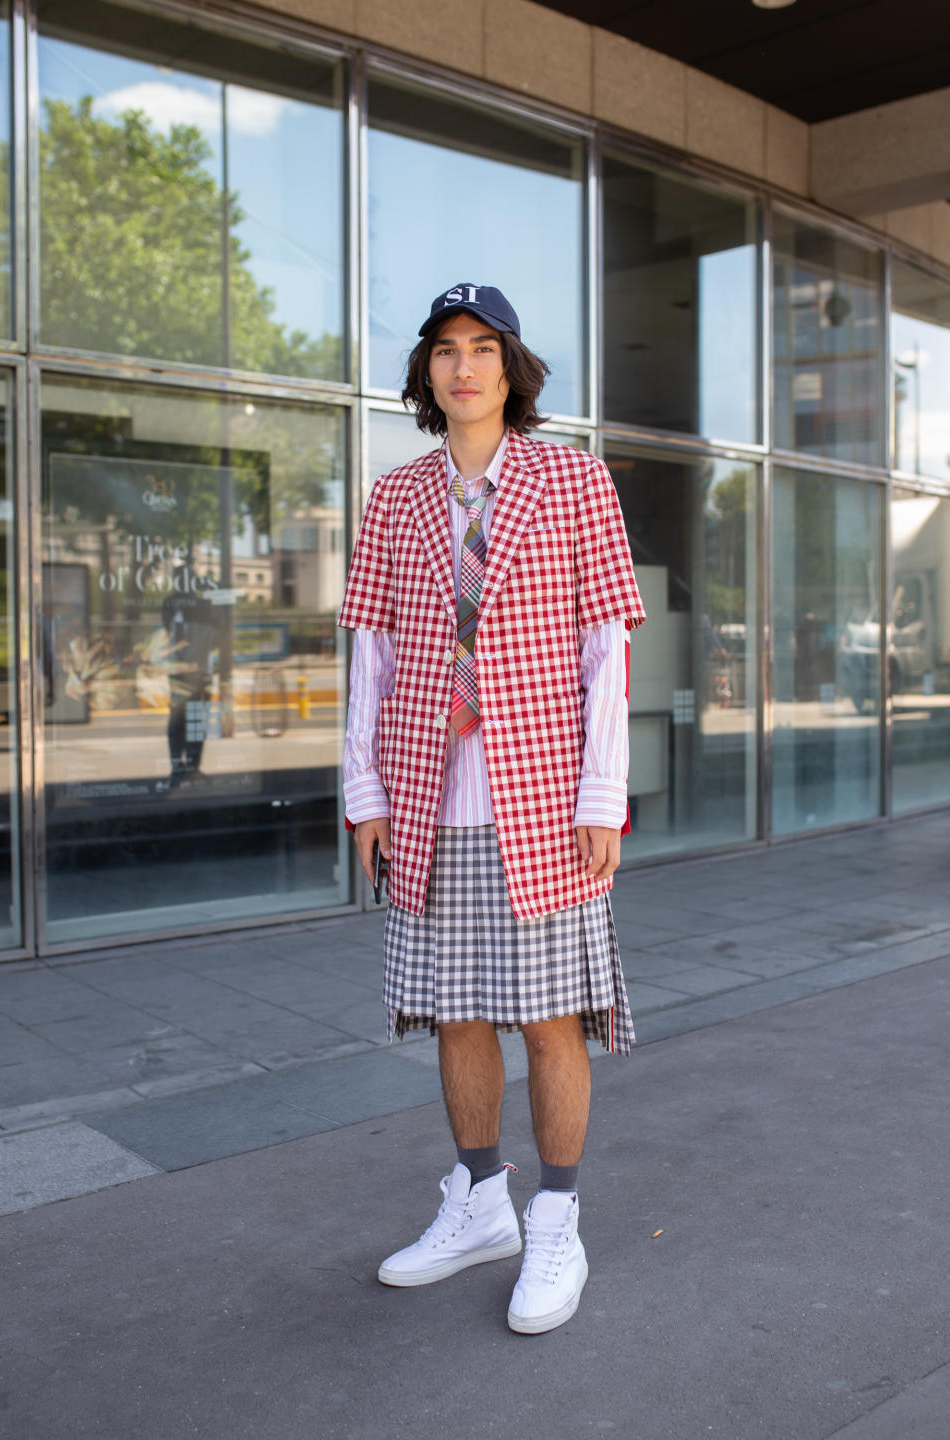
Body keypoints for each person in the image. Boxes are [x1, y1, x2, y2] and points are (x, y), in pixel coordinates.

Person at [339, 283, 646, 1334]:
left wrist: (603, 793)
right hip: (428, 796)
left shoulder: (574, 482)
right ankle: (480, 1203)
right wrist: (364, 790)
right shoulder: (395, 497)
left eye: (483, 349)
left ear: (512, 369)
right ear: (426, 374)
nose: (463, 367)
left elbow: (608, 647)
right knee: (457, 1014)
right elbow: (370, 655)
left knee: (551, 1021)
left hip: (543, 797)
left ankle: (556, 1218)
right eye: (444, 351)